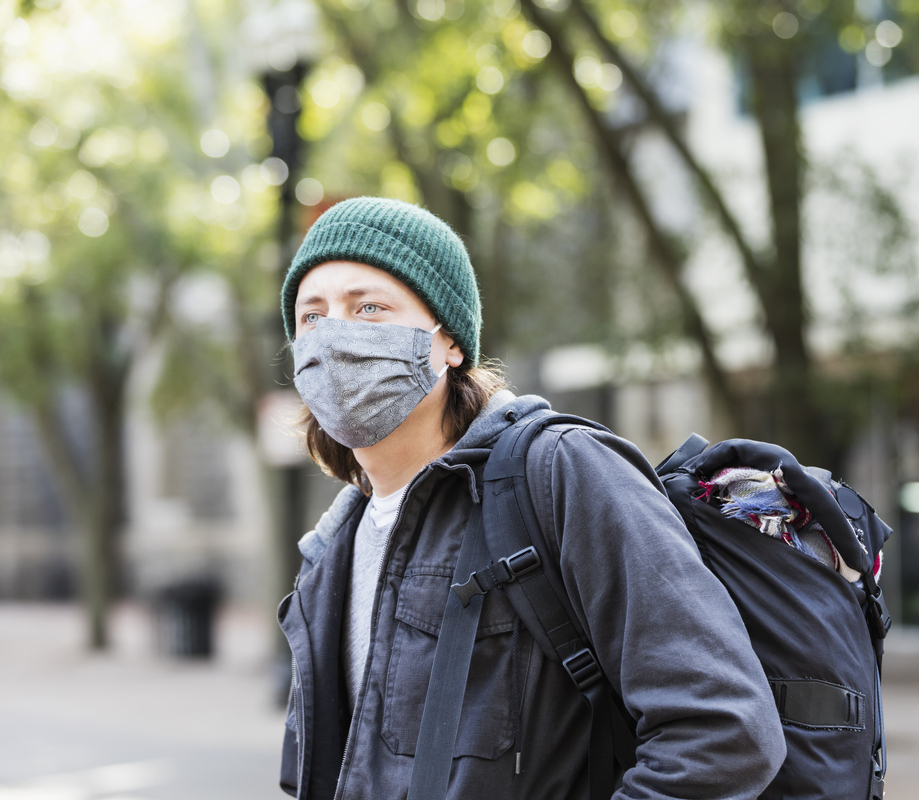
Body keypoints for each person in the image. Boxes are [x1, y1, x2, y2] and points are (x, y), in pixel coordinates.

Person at [276, 197, 784, 800]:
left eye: (370, 307)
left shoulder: (560, 472)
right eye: (312, 317)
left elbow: (724, 731)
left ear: (449, 342)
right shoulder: (330, 552)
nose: (336, 335)